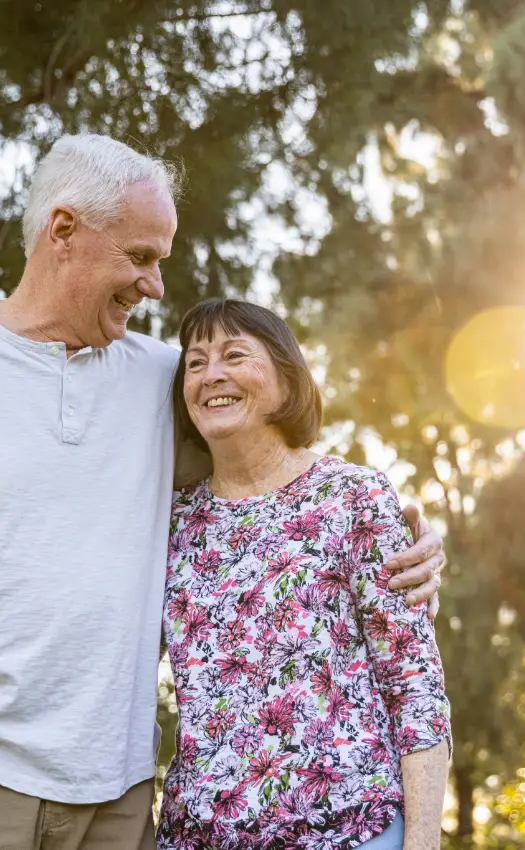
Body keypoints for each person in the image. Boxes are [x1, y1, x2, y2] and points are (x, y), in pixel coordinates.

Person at [0, 133, 445, 850]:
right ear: (64, 231)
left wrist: (408, 544)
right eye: (140, 256)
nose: (154, 285)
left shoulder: (165, 379)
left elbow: (274, 483)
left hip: (113, 800)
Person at [159, 299, 451, 850]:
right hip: (196, 837)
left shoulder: (351, 496)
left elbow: (414, 687)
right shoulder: (172, 520)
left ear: (287, 379)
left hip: (351, 833)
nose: (210, 375)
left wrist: (424, 842)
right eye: (195, 364)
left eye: (234, 354)